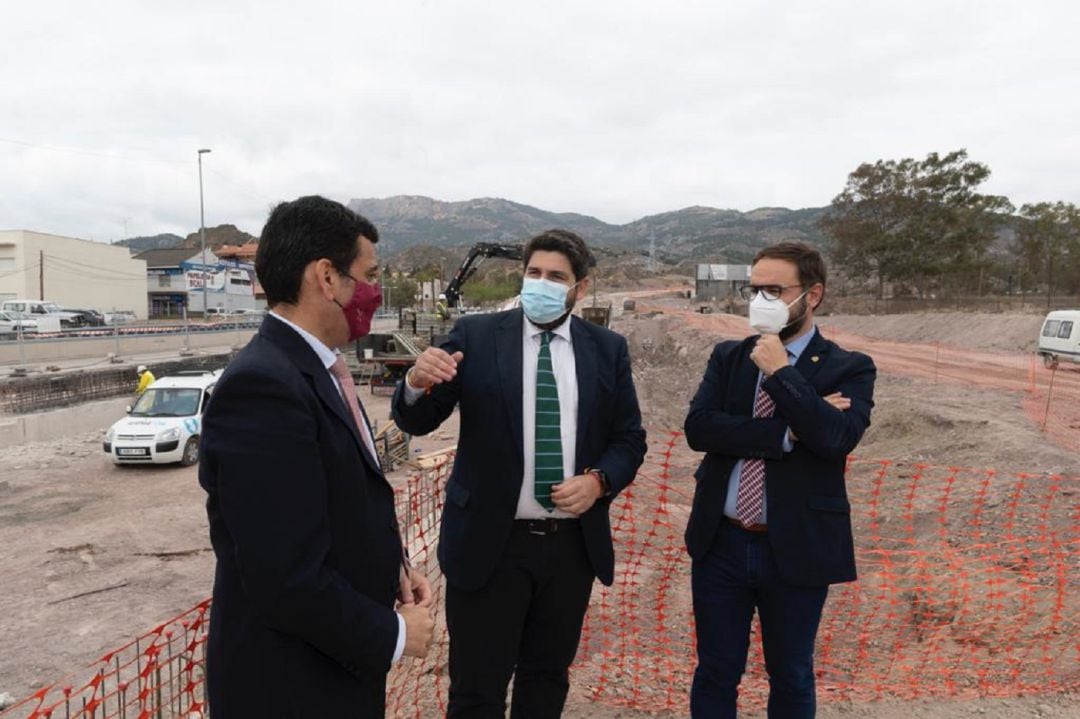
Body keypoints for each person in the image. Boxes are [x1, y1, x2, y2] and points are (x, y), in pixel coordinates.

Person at [392, 229, 647, 718]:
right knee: (476, 690)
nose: (542, 283)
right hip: (490, 545)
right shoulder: (476, 336)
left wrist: (598, 481)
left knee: (546, 681)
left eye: (556, 276)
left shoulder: (606, 349)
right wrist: (413, 382)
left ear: (581, 288)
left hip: (570, 550)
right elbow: (418, 420)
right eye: (534, 273)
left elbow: (629, 440)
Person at [198, 195, 434, 718]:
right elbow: (283, 574)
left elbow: (334, 501)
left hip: (328, 667)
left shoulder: (316, 372)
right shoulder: (264, 388)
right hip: (290, 686)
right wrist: (393, 633)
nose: (374, 291)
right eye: (368, 274)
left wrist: (391, 567)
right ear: (326, 278)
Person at [684, 242, 876, 718]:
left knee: (790, 675)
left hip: (796, 548)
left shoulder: (848, 367)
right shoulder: (729, 357)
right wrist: (790, 430)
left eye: (774, 290)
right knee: (714, 671)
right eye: (755, 290)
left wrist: (782, 373)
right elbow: (700, 428)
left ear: (812, 295)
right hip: (722, 544)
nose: (761, 301)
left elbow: (835, 438)